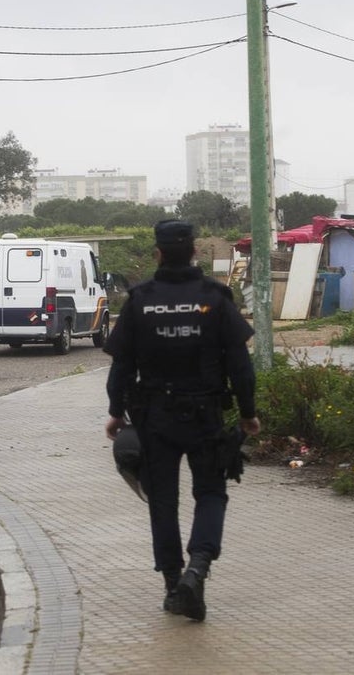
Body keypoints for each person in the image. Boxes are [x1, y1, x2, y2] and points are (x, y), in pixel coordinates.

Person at [103, 219, 260, 622]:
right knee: (210, 494)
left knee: (163, 502)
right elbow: (240, 366)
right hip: (206, 415)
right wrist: (247, 413)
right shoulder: (216, 297)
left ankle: (174, 586)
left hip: (154, 417)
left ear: (157, 253)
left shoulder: (139, 301)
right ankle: (198, 570)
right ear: (194, 252)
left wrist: (114, 412)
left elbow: (122, 365)